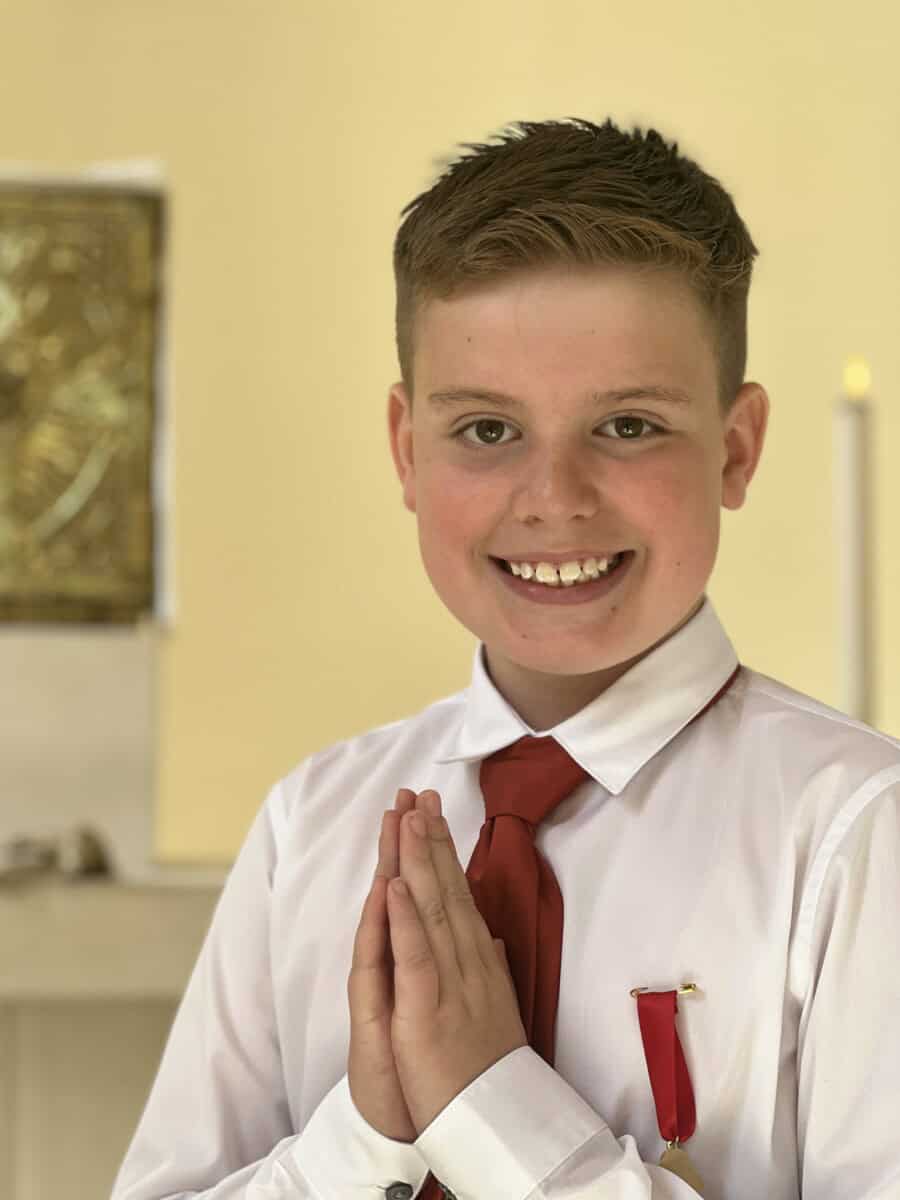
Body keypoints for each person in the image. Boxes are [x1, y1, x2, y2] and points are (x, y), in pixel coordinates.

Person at [111, 117, 900, 1200]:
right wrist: (365, 1139)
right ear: (407, 450)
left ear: (736, 446)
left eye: (628, 426)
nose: (554, 498)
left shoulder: (856, 834)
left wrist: (491, 1110)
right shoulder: (312, 825)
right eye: (488, 431)